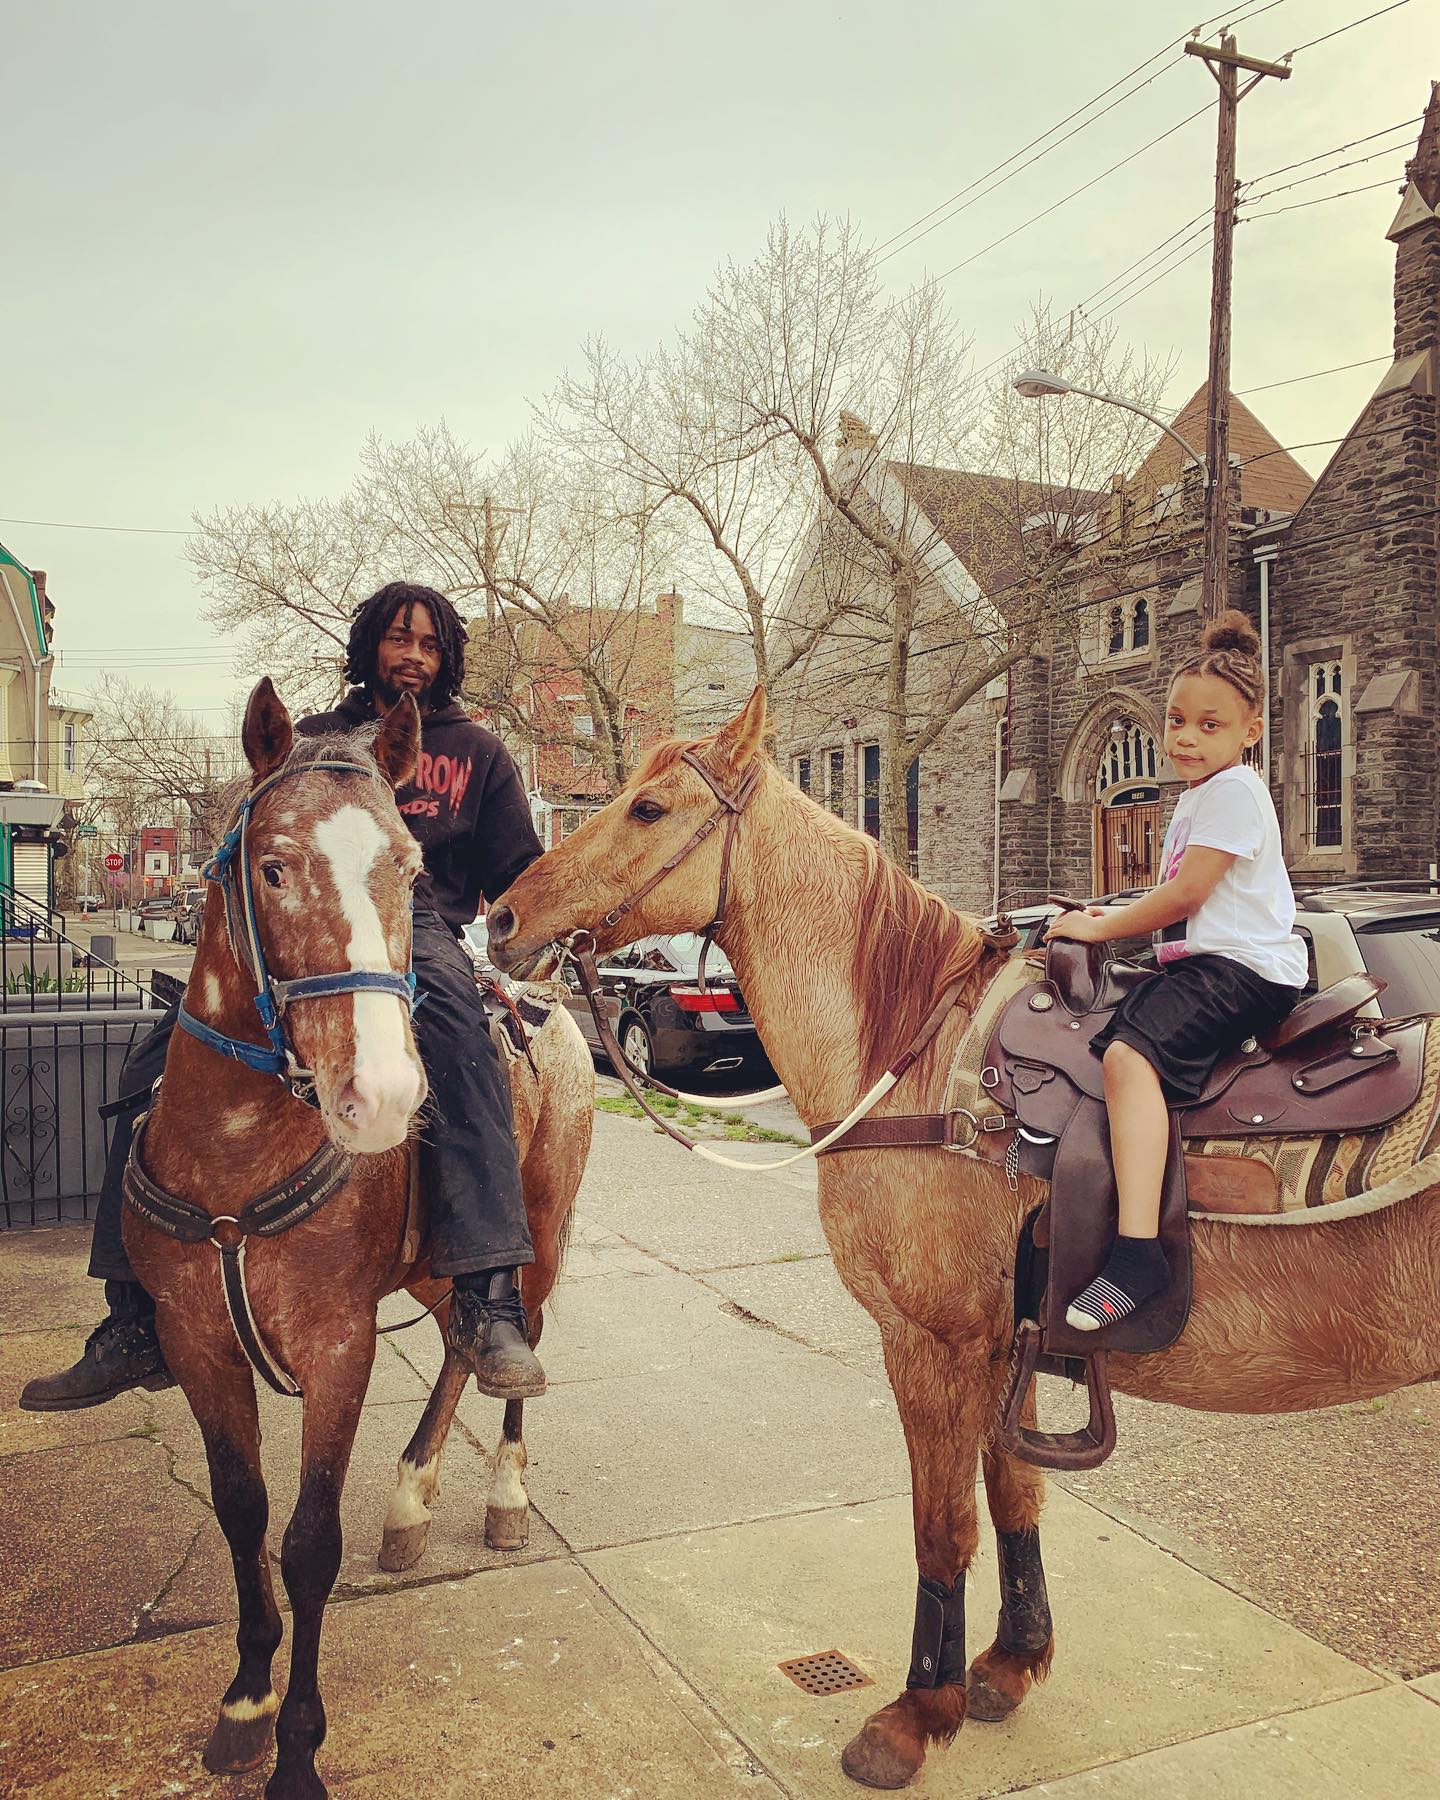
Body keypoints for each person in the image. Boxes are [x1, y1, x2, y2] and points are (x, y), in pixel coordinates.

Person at [22, 582, 548, 1411]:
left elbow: (516, 870)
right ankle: (129, 1317)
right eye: (398, 639)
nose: (413, 655)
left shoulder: (476, 752)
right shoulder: (313, 739)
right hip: (300, 924)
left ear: (445, 659)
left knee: (463, 1044)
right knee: (158, 1058)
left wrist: (553, 920)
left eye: (430, 645)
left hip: (415, 925)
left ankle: (487, 1297)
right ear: (370, 643)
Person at [1045, 610, 1305, 1332]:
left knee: (1129, 1058)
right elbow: (1177, 900)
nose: (1187, 737)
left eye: (1209, 725)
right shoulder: (1200, 795)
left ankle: (1137, 1254)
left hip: (1243, 970)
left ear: (1250, 731)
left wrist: (1099, 925)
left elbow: (1186, 896)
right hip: (1209, 963)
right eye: (1177, 720)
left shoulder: (1233, 791)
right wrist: (1101, 914)